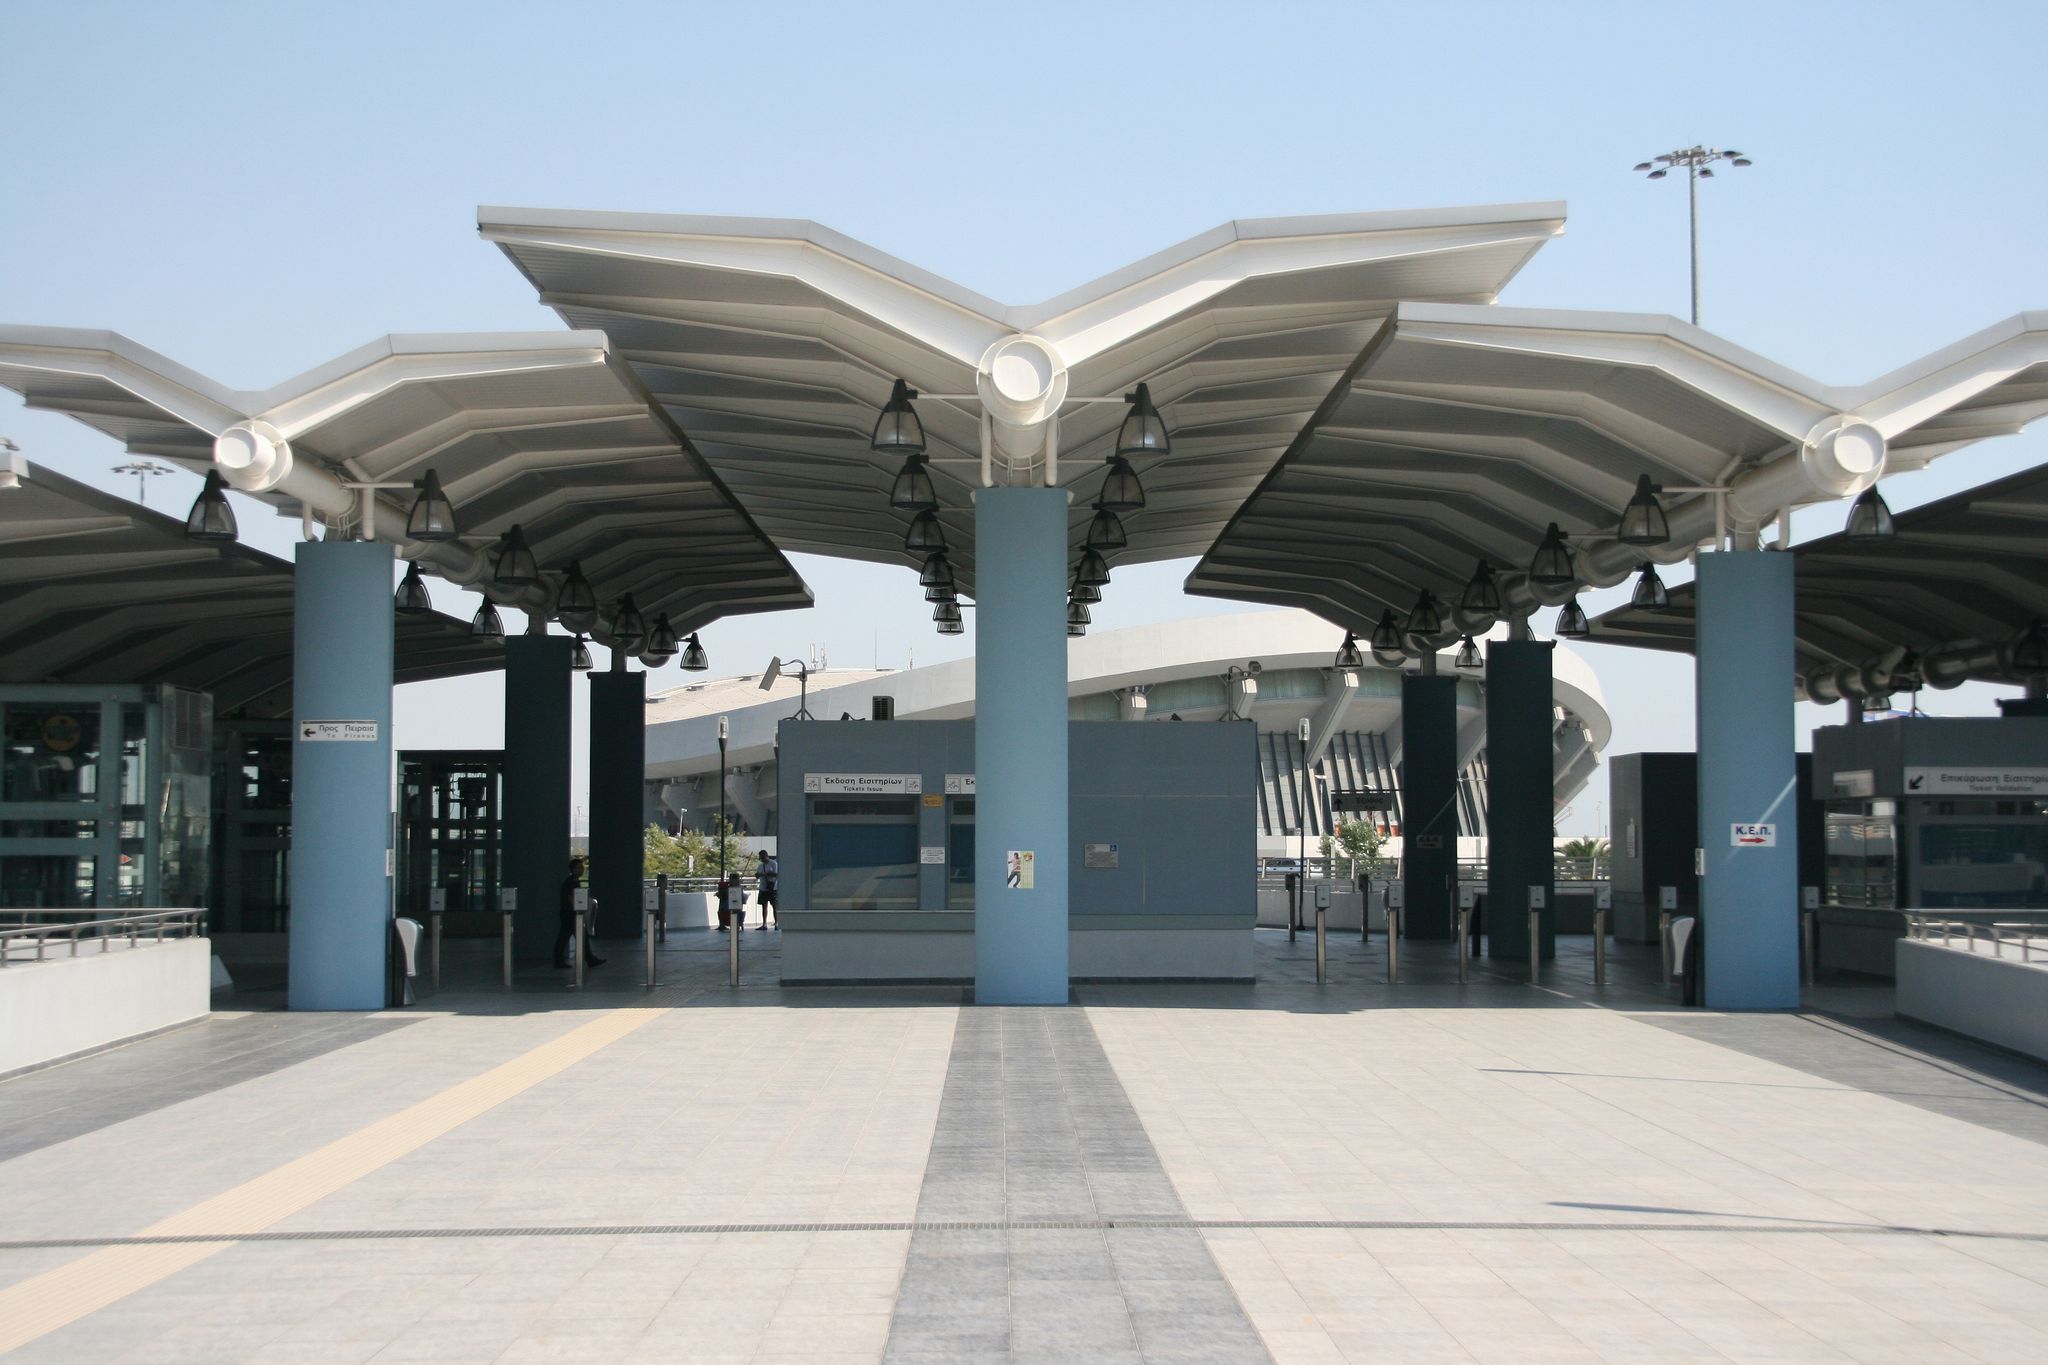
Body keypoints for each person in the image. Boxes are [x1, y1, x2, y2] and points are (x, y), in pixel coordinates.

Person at [554, 857, 605, 968]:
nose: (581, 870)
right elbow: (571, 898)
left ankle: (588, 959)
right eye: (578, 868)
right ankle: (588, 959)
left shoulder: (573, 882)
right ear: (572, 869)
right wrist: (578, 910)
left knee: (568, 937)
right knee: (568, 937)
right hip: (570, 914)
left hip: (569, 913)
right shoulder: (570, 883)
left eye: (582, 868)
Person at [754, 849, 779, 929]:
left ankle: (776, 923)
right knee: (764, 906)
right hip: (763, 887)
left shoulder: (773, 863)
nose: (761, 859)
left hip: (772, 887)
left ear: (766, 856)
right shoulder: (761, 865)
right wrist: (758, 875)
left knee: (775, 906)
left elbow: (777, 874)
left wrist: (766, 874)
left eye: (762, 857)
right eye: (760, 858)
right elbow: (757, 875)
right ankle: (764, 923)